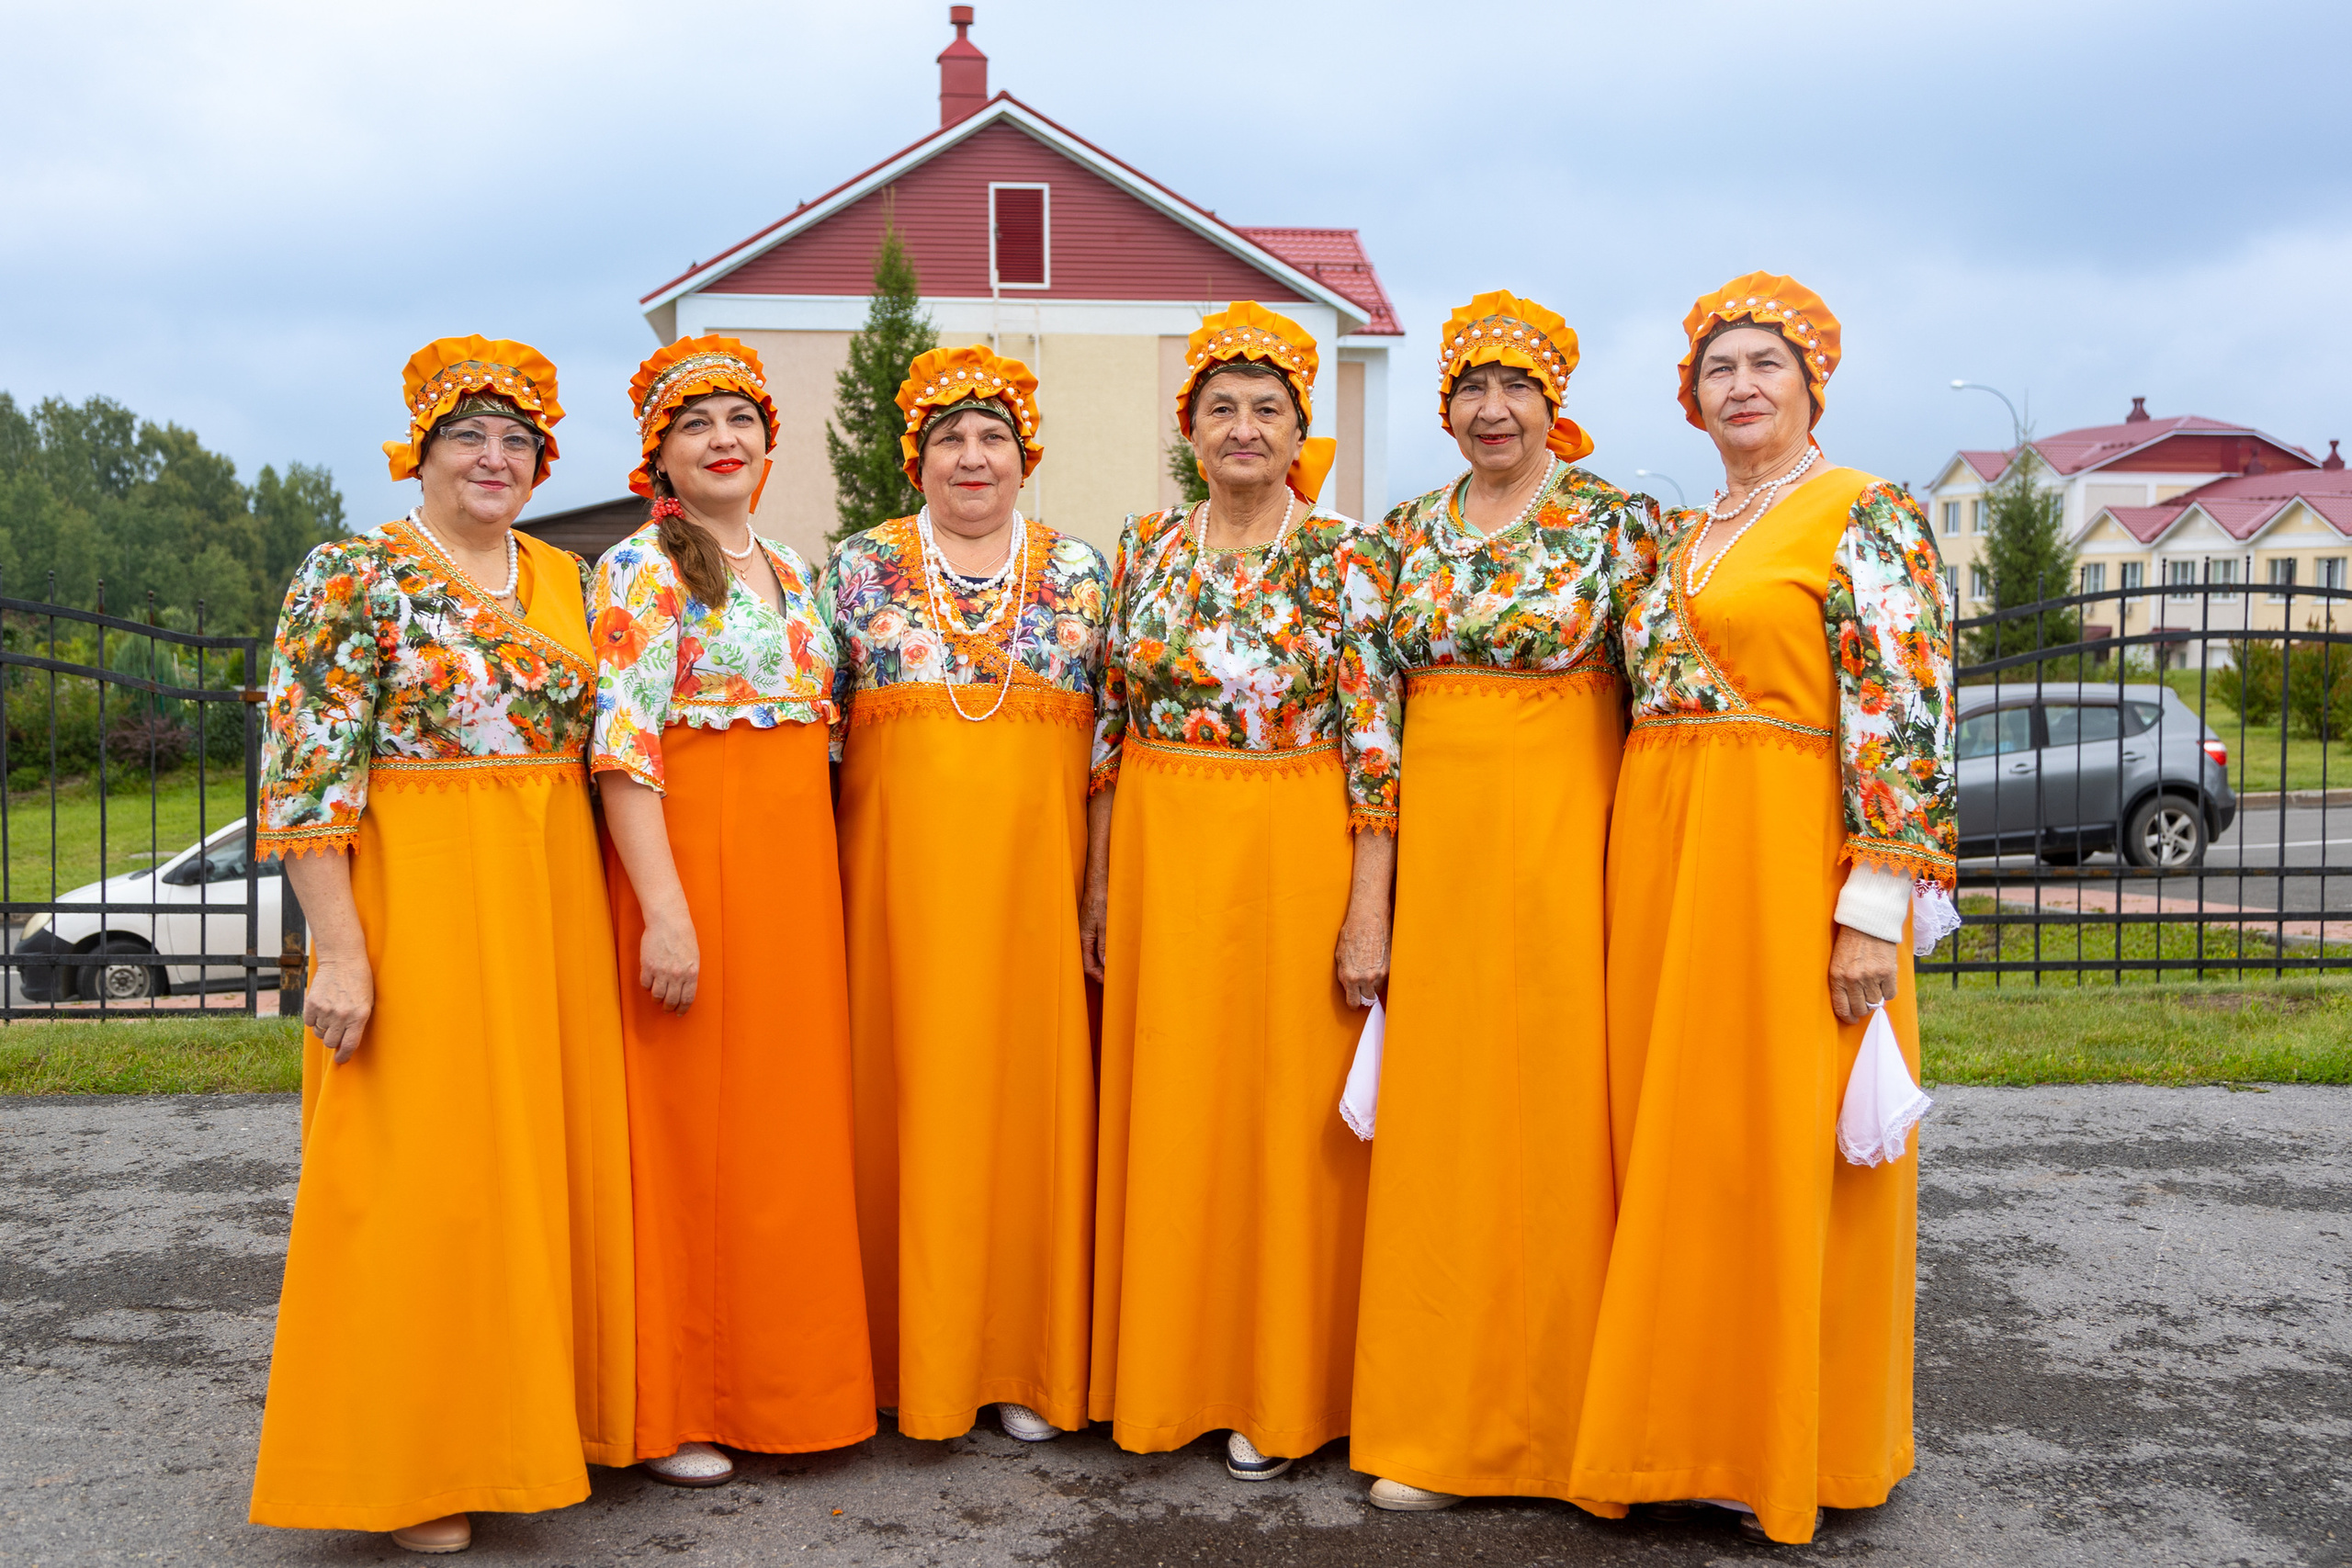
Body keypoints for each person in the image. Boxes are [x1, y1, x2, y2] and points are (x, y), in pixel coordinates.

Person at [1567, 274, 1956, 1545]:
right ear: (1693, 397)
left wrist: (1874, 905)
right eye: (1718, 367)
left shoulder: (1864, 515)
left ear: (1810, 385)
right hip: (1667, 855)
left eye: (1764, 364)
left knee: (1786, 1142)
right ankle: (1679, 1429)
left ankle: (1798, 1441)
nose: (1740, 384)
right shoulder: (1687, 535)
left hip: (1786, 854)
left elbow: (1904, 709)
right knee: (1682, 1142)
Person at [249, 337, 633, 1555]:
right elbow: (307, 776)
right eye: (469, 434)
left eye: (518, 439)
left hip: (545, 892)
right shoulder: (350, 574)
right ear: (420, 448)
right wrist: (343, 952)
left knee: (527, 1169)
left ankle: (522, 1431)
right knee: (416, 1176)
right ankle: (411, 1461)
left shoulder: (566, 577)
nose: (495, 455)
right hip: (413, 895)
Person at [1348, 293, 1660, 1511]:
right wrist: (1371, 902)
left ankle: (1577, 1421)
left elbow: (1667, 700)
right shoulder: (1400, 540)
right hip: (1442, 863)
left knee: (1563, 1124)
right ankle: (1438, 1424)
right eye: (1472, 388)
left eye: (1516, 387)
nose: (1493, 408)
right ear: (1447, 407)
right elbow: (1370, 732)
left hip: (1567, 850)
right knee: (1444, 1129)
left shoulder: (1619, 530)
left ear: (1553, 401)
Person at [1080, 302, 1397, 1482]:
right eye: (1222, 408)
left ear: (1300, 427)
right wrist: (1100, 886)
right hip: (1166, 847)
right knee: (1173, 1106)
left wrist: (1368, 908)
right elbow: (1109, 731)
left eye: (1268, 409)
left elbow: (1376, 744)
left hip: (1293, 844)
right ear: (1190, 430)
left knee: (1281, 1119)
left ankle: (1279, 1386)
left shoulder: (1344, 555)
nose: (1244, 428)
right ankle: (1164, 1377)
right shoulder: (1143, 547)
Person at [589, 336, 874, 1488]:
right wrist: (664, 909)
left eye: (740, 419)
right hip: (694, 861)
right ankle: (684, 1404)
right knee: (688, 1132)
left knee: (782, 1134)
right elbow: (622, 748)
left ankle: (790, 1391)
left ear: (767, 439)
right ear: (659, 448)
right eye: (695, 421)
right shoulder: (639, 569)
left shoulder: (795, 568)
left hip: (792, 871)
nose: (723, 438)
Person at [820, 345, 1107, 1444]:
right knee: (908, 1102)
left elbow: (1110, 751)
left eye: (992, 438)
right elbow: (819, 742)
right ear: (918, 459)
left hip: (1033, 896)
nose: (972, 457)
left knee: (1027, 1111)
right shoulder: (857, 569)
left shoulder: (1081, 573)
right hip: (900, 898)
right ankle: (904, 1360)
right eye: (950, 439)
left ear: (1024, 455)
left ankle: (1023, 1360)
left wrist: (1097, 886)